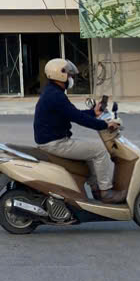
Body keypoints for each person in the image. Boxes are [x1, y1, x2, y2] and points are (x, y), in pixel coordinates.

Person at [34, 58, 123, 203]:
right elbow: (78, 118)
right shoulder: (55, 96)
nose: (71, 78)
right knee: (100, 150)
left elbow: (73, 113)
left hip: (55, 140)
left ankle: (96, 189)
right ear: (60, 75)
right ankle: (106, 192)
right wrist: (105, 125)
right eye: (69, 75)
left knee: (91, 151)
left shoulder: (53, 92)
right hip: (55, 143)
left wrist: (94, 113)